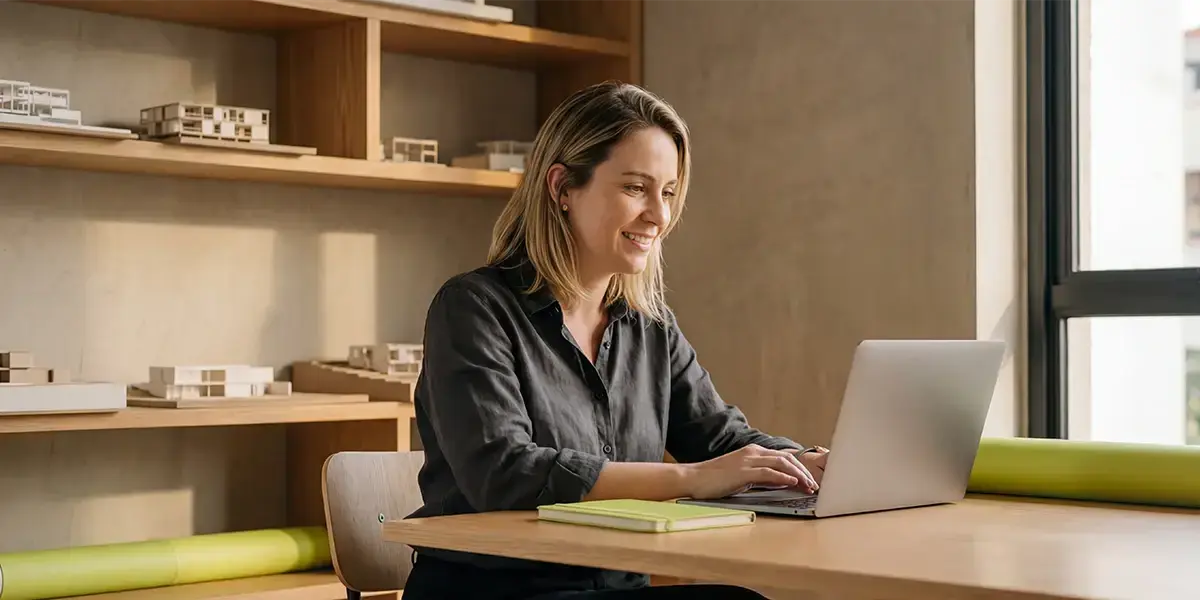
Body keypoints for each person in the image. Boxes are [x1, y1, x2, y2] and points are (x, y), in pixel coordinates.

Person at [403, 81, 830, 600]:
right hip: (495, 591)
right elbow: (504, 472)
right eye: (635, 188)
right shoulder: (473, 307)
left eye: (668, 192)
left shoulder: (650, 325)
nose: (660, 215)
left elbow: (721, 441)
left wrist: (804, 462)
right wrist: (692, 479)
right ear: (561, 188)